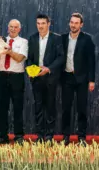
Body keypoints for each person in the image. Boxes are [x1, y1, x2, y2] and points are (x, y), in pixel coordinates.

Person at [26, 14, 64, 144]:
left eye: (43, 23)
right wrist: (31, 70)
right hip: (36, 79)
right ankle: (40, 136)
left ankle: (49, 137)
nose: (40, 26)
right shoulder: (32, 38)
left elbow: (61, 58)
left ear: (49, 24)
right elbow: (29, 58)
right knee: (38, 108)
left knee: (50, 108)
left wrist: (48, 68)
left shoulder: (57, 39)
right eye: (38, 23)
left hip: (50, 78)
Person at [0, 19, 28, 145]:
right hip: (2, 76)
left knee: (17, 107)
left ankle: (18, 136)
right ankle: (2, 136)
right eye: (11, 26)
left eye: (15, 27)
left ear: (19, 29)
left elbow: (19, 58)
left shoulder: (23, 42)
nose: (13, 29)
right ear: (7, 28)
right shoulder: (0, 41)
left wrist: (8, 50)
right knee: (2, 108)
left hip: (17, 77)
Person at [61, 13, 95, 147]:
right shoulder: (63, 38)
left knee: (81, 109)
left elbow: (92, 61)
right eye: (71, 22)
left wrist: (91, 80)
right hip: (66, 78)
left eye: (76, 23)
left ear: (81, 25)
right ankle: (65, 137)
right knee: (65, 109)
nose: (73, 25)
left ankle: (81, 137)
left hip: (82, 79)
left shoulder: (87, 39)